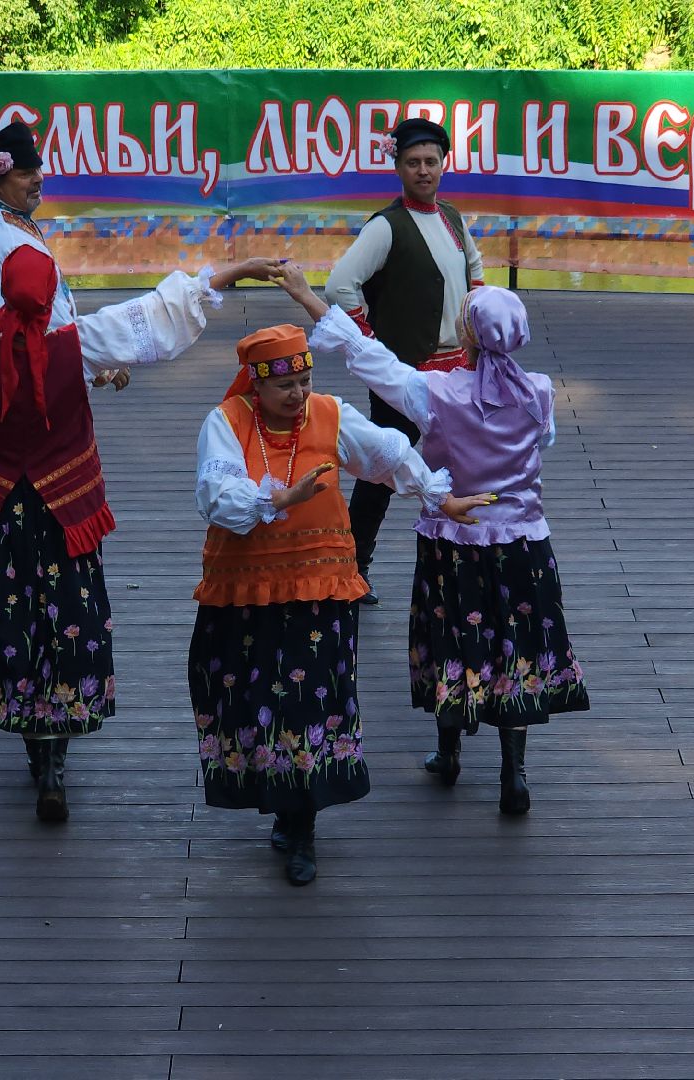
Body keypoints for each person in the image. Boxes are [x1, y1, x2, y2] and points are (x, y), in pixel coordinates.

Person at [0, 248, 280, 822]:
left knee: (14, 630)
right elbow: (158, 314)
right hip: (65, 516)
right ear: (50, 299)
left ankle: (39, 751)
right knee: (68, 625)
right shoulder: (77, 342)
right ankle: (53, 758)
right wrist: (234, 272)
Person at [190, 264, 492, 885]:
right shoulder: (226, 423)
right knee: (256, 700)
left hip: (321, 589)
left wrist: (439, 497)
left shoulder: (329, 415)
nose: (297, 395)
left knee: (308, 701)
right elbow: (218, 497)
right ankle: (283, 808)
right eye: (284, 387)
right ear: (254, 386)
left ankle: (303, 827)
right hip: (248, 593)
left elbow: (388, 454)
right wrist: (278, 497)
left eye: (303, 380)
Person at [313, 285, 589, 814]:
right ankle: (514, 770)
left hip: (454, 541)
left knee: (451, 638)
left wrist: (314, 302)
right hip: (524, 542)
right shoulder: (539, 391)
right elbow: (543, 441)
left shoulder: (437, 392)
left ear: (466, 333)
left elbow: (376, 364)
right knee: (515, 646)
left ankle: (449, 751)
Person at [0, 119, 126, 636]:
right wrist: (93, 362)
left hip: (15, 371)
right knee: (7, 486)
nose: (37, 178)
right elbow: (32, 320)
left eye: (37, 168)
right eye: (25, 172)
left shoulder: (4, 223)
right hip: (12, 376)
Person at [325, 116, 486, 605]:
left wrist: (476, 328)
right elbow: (338, 286)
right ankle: (351, 571)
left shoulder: (453, 218)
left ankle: (461, 556)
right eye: (413, 162)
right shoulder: (386, 226)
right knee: (382, 468)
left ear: (444, 165)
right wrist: (370, 339)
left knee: (460, 467)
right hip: (401, 372)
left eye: (431, 162)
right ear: (397, 166)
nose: (423, 170)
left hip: (457, 368)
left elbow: (475, 274)